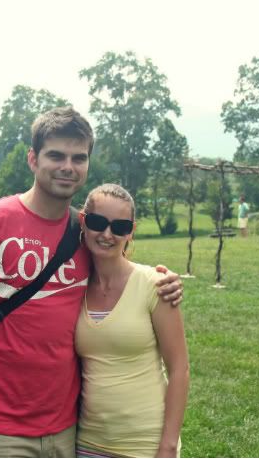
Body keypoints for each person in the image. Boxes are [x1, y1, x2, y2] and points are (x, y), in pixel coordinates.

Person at [0, 107, 184, 458]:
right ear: (33, 159)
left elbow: (118, 266)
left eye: (79, 158)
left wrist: (163, 279)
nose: (68, 166)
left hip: (65, 429)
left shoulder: (86, 231)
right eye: (56, 155)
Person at [74, 184, 189, 457]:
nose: (107, 234)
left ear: (131, 231)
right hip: (86, 442)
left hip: (144, 444)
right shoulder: (73, 284)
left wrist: (168, 445)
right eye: (98, 222)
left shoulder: (155, 285)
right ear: (83, 221)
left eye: (120, 227)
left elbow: (179, 370)